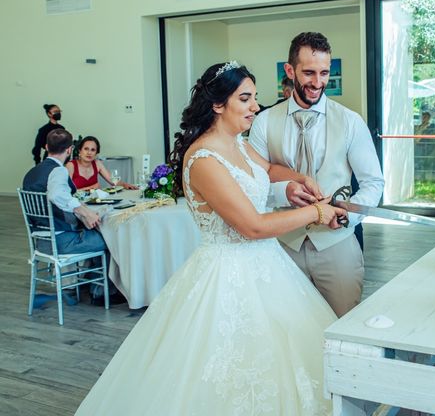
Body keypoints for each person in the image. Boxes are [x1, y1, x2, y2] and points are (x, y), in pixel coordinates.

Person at [75, 62, 347, 415]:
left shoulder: (239, 143)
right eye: (245, 99)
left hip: (268, 266)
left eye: (255, 98)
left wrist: (298, 180)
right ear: (218, 104)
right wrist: (318, 213)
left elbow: (266, 169)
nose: (255, 107)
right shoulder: (203, 158)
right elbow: (252, 227)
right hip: (227, 271)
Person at [249, 32, 384, 317]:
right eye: (309, 73)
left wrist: (350, 216)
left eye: (324, 73)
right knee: (285, 327)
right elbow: (253, 181)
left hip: (337, 246)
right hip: (282, 245)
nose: (318, 83)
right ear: (290, 70)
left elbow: (373, 182)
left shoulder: (350, 121)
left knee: (343, 325)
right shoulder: (263, 122)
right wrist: (281, 191)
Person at [22, 129, 125, 306]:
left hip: (41, 240)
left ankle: (87, 283)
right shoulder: (59, 171)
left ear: (47, 147)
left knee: (92, 232)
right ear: (70, 150)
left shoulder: (32, 172)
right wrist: (85, 212)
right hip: (62, 240)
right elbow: (57, 195)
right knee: (108, 237)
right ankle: (99, 292)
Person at [65, 136, 136, 190]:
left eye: (93, 150)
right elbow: (66, 192)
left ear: (96, 153)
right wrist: (91, 188)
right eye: (86, 149)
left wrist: (125, 184)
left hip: (94, 203)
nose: (89, 153)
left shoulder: (97, 163)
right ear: (80, 151)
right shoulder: (71, 165)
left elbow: (112, 181)